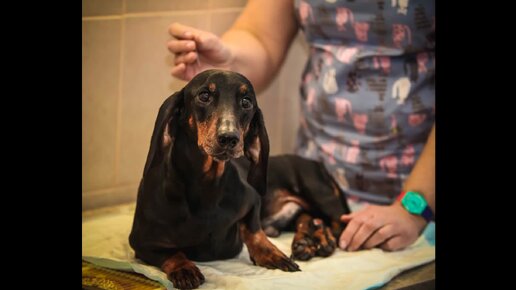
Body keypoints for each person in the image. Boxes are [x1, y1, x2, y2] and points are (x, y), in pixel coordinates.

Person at [167, 0, 435, 252]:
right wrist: (229, 61)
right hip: (311, 190)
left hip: (417, 204)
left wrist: (415, 207)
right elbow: (261, 37)